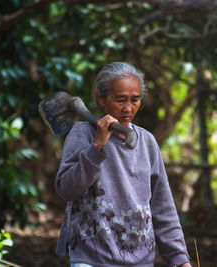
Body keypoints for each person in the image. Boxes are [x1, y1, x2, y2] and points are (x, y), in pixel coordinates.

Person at [55, 62, 192, 267]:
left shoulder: (147, 142)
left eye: (134, 100)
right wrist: (97, 146)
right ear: (102, 98)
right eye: (120, 100)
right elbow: (66, 189)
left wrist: (181, 260)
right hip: (91, 258)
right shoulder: (82, 134)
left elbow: (163, 208)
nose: (128, 108)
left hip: (140, 260)